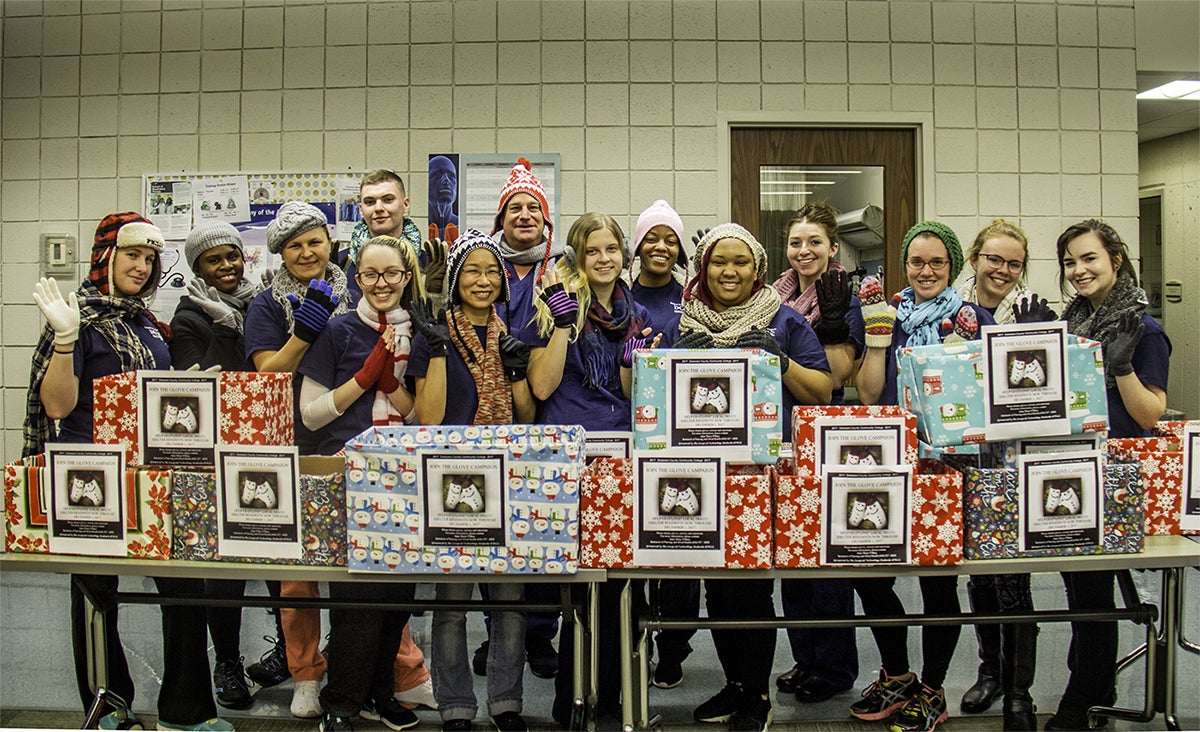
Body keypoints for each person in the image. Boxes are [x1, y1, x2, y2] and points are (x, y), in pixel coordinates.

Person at [25, 212, 231, 731]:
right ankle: (109, 705)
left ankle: (185, 713)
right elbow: (56, 406)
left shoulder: (146, 324)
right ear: (105, 257)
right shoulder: (75, 316)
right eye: (131, 255)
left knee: (184, 589)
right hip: (90, 479)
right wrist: (67, 340)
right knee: (97, 599)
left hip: (152, 474)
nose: (141, 266)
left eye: (149, 258)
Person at [665, 223, 831, 732]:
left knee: (753, 589)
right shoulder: (684, 322)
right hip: (699, 472)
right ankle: (735, 683)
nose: (729, 271)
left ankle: (757, 695)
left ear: (757, 268)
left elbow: (823, 392)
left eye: (740, 262)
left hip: (762, 472)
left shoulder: (784, 320)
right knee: (717, 587)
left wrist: (778, 363)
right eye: (718, 261)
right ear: (703, 268)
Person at [851, 221, 995, 732]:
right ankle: (898, 673)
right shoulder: (885, 312)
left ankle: (934, 688)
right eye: (917, 262)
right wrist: (876, 335)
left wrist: (959, 352)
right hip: (887, 454)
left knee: (938, 582)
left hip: (947, 459)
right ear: (904, 265)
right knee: (869, 570)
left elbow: (976, 402)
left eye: (937, 262)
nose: (926, 271)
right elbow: (868, 395)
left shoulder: (968, 316)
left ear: (952, 266)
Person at [524, 212, 659, 727]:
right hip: (575, 453)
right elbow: (540, 386)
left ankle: (621, 698)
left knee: (625, 586)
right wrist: (562, 325)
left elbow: (634, 398)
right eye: (593, 250)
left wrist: (634, 364)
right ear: (577, 257)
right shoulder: (553, 306)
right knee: (582, 589)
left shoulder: (637, 312)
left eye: (612, 249)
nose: (604, 259)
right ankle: (574, 699)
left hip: (625, 453)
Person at [407, 229, 537, 732]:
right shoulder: (433, 334)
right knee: (453, 607)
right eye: (471, 272)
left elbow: (525, 419)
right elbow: (428, 418)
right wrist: (437, 348)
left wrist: (516, 369)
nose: (482, 281)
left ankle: (506, 703)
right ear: (456, 280)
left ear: (503, 282)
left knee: (508, 607)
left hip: (506, 481)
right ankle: (456, 706)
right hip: (451, 481)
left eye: (491, 272)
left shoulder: (511, 334)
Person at [1046, 219, 1170, 731]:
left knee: (1093, 592)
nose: (1078, 270)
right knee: (1083, 591)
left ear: (1115, 260)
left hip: (1115, 477)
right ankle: (1094, 685)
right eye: (1070, 262)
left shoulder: (1143, 329)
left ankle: (1085, 696)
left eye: (1089, 258)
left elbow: (1150, 415)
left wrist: (1121, 369)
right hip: (1072, 466)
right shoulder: (1074, 325)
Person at [296, 235, 423, 732]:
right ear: (357, 279)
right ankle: (342, 703)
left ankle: (378, 691)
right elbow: (309, 416)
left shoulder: (421, 334)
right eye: (370, 275)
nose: (382, 283)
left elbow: (423, 419)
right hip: (347, 475)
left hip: (404, 477)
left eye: (391, 273)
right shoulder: (336, 332)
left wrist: (393, 386)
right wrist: (365, 379)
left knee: (398, 599)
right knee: (356, 603)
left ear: (405, 277)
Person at [170, 219, 290, 711]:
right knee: (226, 568)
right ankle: (227, 662)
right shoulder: (189, 317)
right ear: (197, 267)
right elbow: (200, 384)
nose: (225, 266)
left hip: (268, 445)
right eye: (212, 260)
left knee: (283, 561)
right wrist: (222, 329)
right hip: (215, 456)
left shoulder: (263, 300)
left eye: (231, 256)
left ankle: (288, 650)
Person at [244, 201, 350, 719]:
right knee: (297, 575)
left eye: (315, 241)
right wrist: (304, 332)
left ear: (329, 241)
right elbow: (267, 372)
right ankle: (306, 673)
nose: (307, 252)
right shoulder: (266, 305)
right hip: (292, 444)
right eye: (295, 245)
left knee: (366, 565)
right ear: (281, 253)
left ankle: (382, 670)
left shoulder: (359, 287)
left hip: (356, 439)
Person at [955, 219, 1057, 731]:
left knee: (1014, 580)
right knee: (980, 577)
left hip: (1017, 460)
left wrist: (1035, 338)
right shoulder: (952, 311)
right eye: (994, 259)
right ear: (975, 259)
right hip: (965, 458)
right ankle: (989, 670)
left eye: (1013, 263)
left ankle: (1020, 693)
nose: (1003, 270)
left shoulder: (1035, 312)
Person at [471, 157, 564, 681]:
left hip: (546, 407)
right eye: (515, 209)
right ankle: (496, 630)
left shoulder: (561, 268)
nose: (524, 215)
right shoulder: (483, 266)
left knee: (544, 523)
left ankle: (539, 634)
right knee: (497, 527)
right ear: (500, 218)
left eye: (533, 208)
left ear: (546, 221)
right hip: (494, 410)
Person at [770, 202, 863, 705]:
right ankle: (805, 657)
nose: (804, 252)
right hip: (788, 434)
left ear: (832, 246)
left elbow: (839, 378)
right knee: (795, 554)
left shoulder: (842, 297)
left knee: (826, 561)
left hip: (828, 434)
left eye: (814, 243)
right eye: (796, 243)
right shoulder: (778, 297)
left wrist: (830, 323)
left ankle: (834, 666)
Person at [624, 199, 702, 690]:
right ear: (637, 245)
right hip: (630, 434)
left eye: (669, 239)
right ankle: (633, 641)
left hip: (685, 438)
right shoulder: (619, 296)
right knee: (633, 544)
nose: (660, 246)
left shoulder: (692, 301)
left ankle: (673, 647)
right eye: (651, 237)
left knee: (679, 546)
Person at [344, 170, 425, 304]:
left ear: (405, 204)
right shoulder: (343, 264)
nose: (378, 208)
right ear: (360, 209)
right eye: (370, 202)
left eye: (388, 200)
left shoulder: (430, 265)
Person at [428, 154, 460, 238]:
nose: (446, 179)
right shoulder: (417, 228)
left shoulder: (463, 225)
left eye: (451, 176)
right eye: (438, 175)